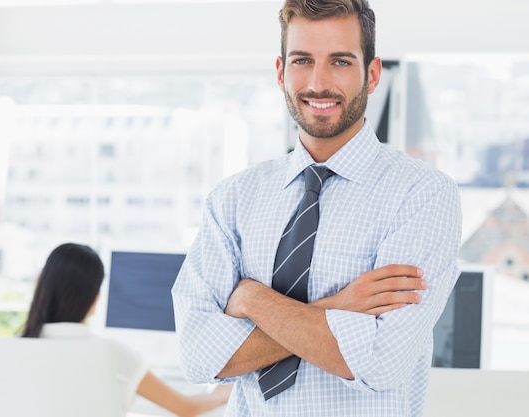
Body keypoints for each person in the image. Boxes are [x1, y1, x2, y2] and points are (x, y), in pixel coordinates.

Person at [171, 0, 462, 416]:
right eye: (302, 60)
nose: (318, 82)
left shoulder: (421, 194)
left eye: (340, 62)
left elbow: (380, 362)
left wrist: (252, 299)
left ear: (372, 74)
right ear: (280, 72)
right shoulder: (233, 199)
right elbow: (200, 357)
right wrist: (339, 306)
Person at [21, 242, 232, 417]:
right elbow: (187, 408)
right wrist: (221, 393)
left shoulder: (18, 346)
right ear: (95, 299)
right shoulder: (109, 353)